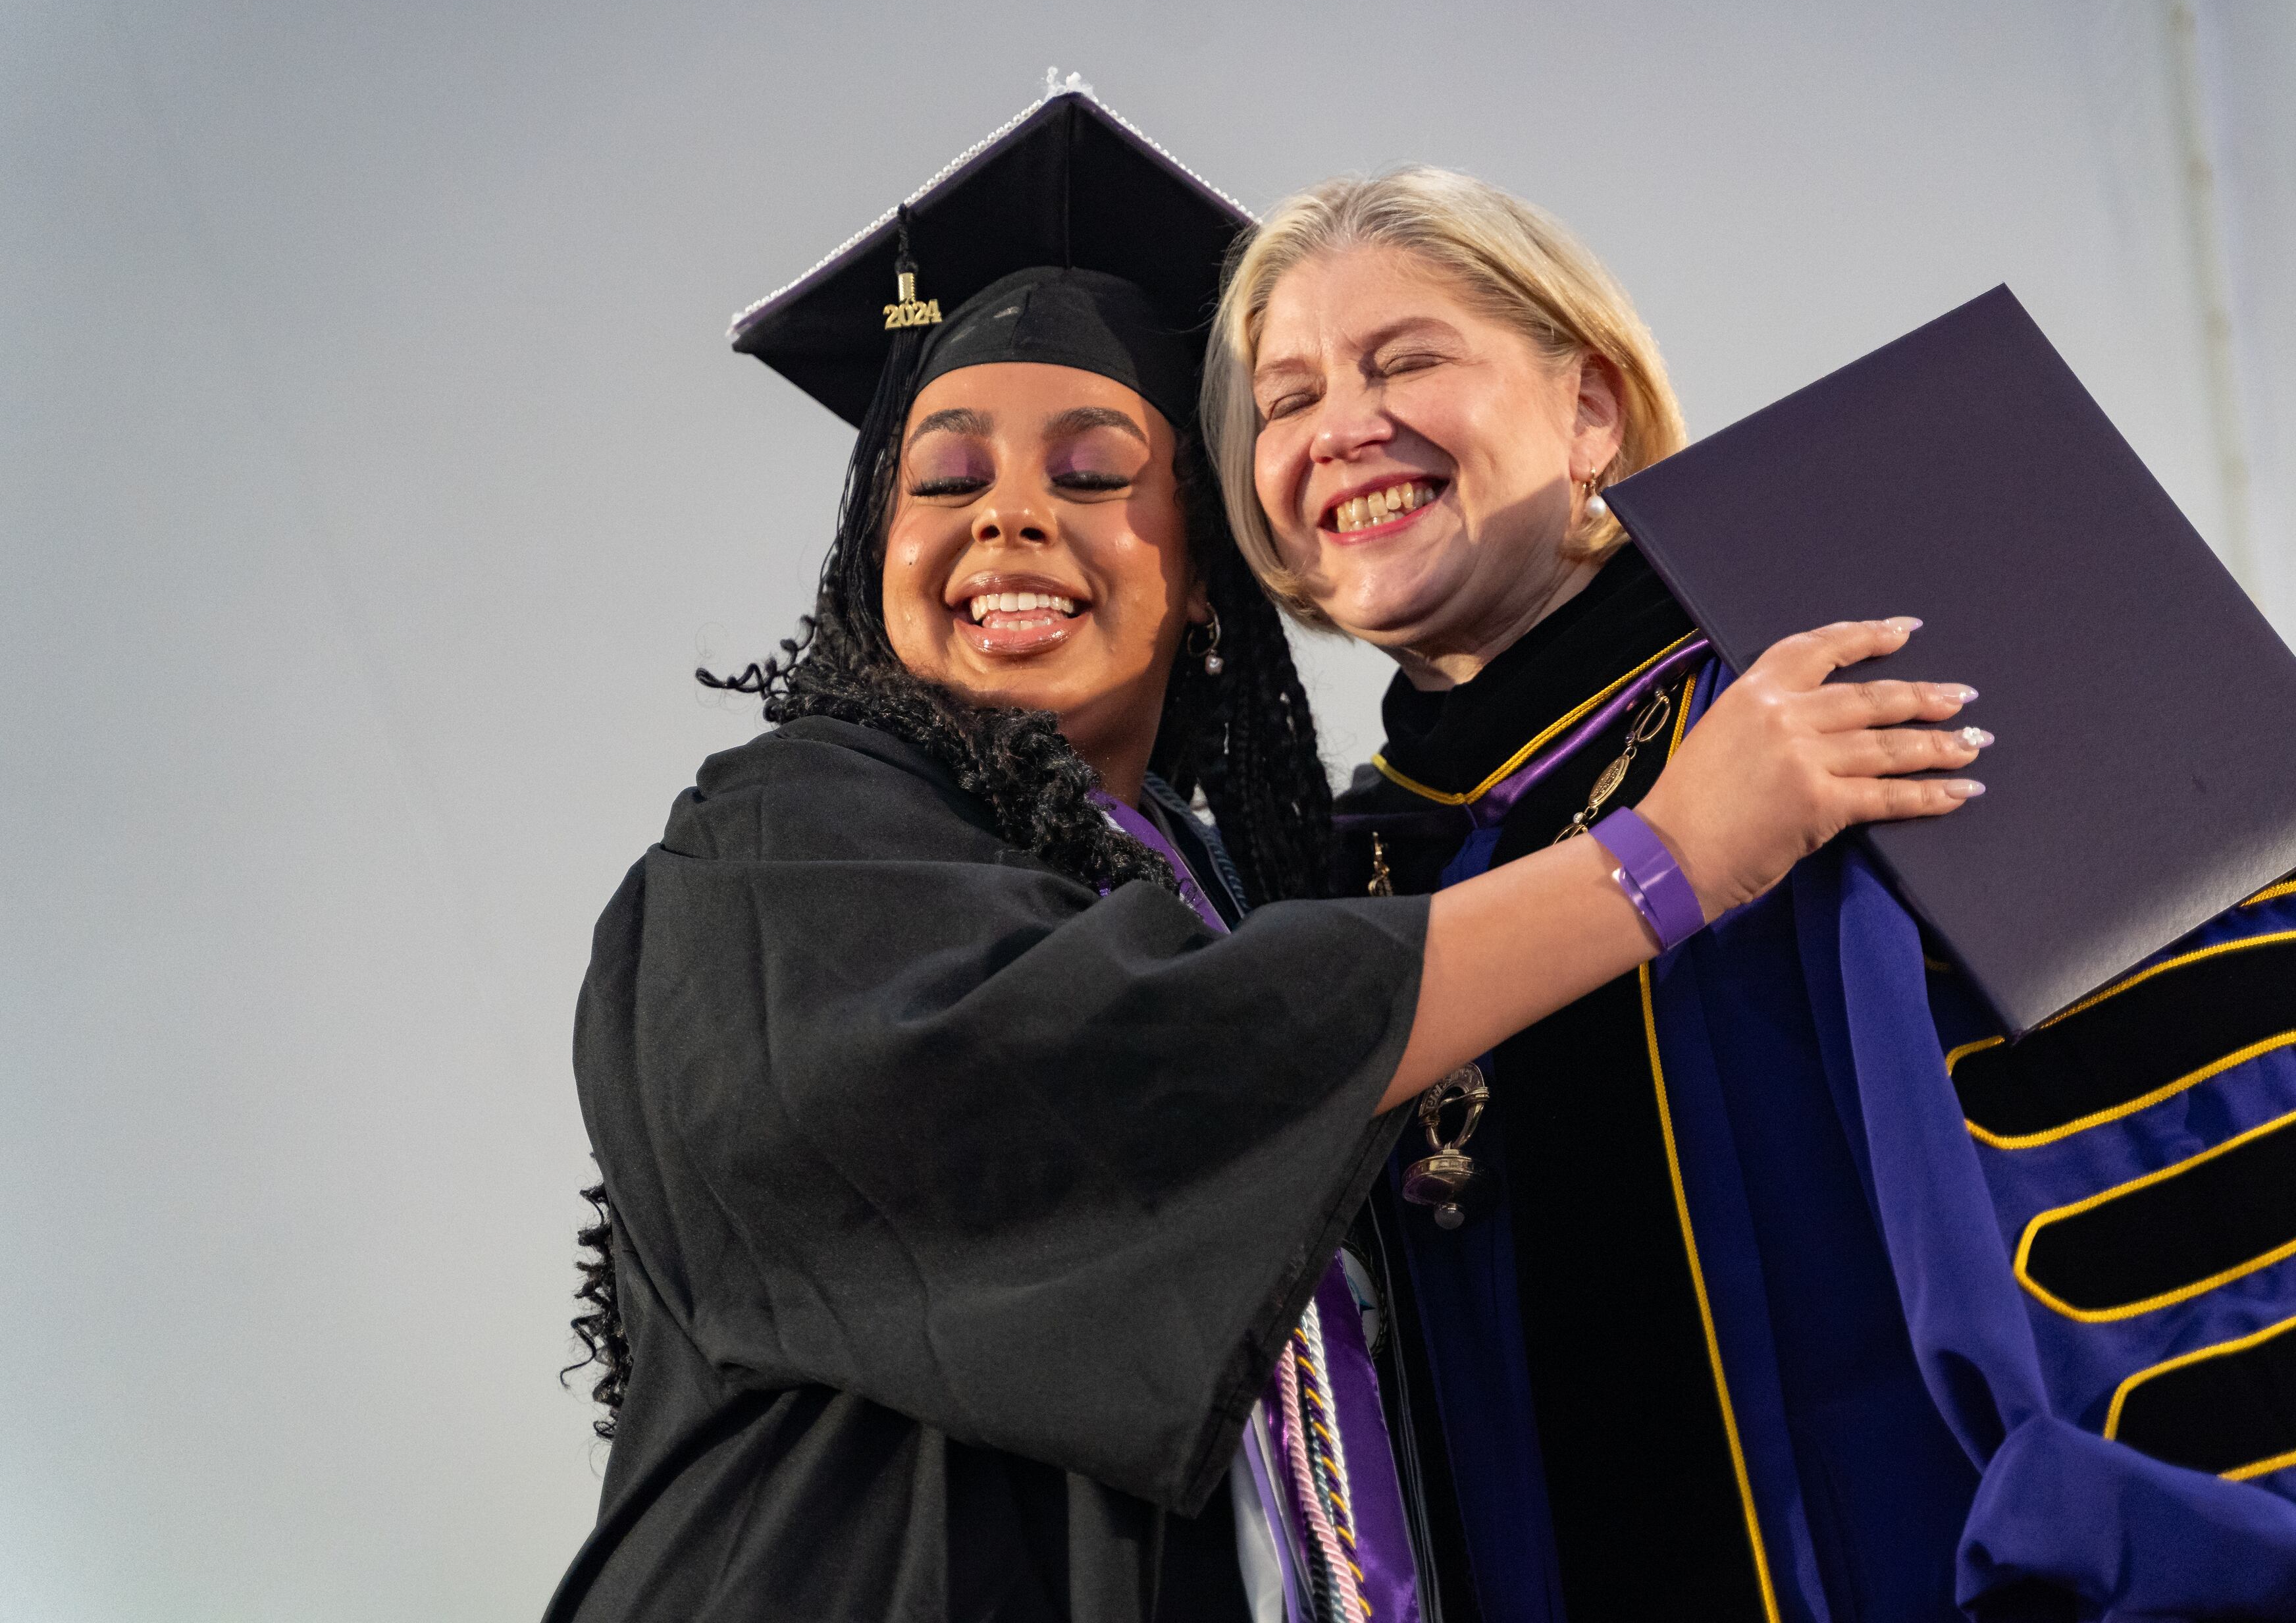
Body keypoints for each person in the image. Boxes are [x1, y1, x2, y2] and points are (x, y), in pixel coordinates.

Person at [544, 92, 1979, 1623]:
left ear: (1213, 582)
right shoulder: (782, 842)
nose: (1012, 516)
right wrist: (1665, 858)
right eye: (945, 479)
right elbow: (1111, 1071)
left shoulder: (1272, 892)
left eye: (1096, 474)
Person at [1203, 165, 2296, 1622]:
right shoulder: (1339, 873)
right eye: (1287, 397)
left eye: (1408, 360)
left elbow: (2259, 1147)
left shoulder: (1865, 667)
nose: (1342, 428)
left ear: (1589, 407)